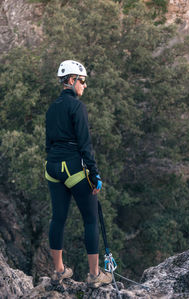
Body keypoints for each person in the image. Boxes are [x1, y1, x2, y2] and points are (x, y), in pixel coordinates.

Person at [45, 60, 112, 288]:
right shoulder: (77, 107)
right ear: (72, 80)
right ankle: (94, 275)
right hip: (72, 166)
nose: (84, 86)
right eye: (82, 81)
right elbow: (85, 144)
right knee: (91, 219)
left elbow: (48, 143)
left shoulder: (52, 107)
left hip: (53, 168)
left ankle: (59, 271)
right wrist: (94, 175)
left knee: (58, 218)